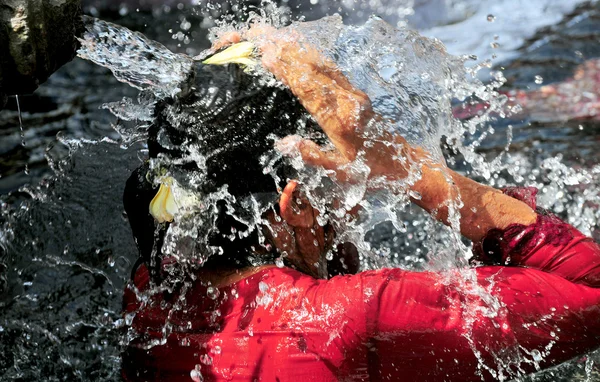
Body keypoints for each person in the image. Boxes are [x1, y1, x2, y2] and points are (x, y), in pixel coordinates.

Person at [121, 25, 600, 381]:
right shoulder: (349, 318)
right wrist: (399, 165)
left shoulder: (152, 287)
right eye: (338, 181)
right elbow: (592, 289)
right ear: (297, 205)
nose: (354, 206)